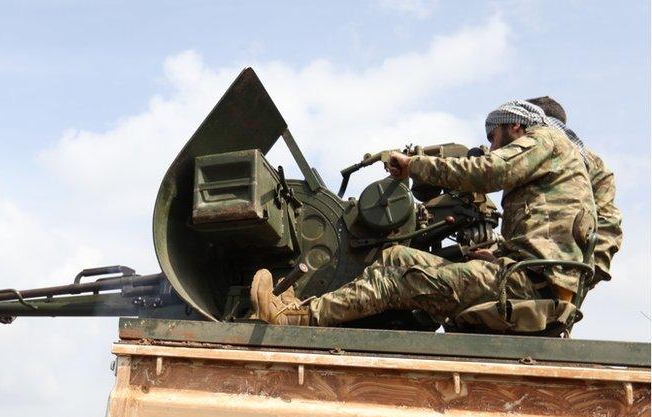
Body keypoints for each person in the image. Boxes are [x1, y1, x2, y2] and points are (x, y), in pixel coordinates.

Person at [251, 100, 597, 327]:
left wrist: (413, 166)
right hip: (521, 277)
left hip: (527, 286)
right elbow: (544, 238)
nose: (491, 144)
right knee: (396, 257)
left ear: (517, 127)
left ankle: (296, 318)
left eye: (494, 136)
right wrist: (494, 255)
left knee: (403, 279)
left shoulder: (545, 140)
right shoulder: (560, 166)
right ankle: (314, 309)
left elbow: (490, 170)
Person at [525, 96, 622, 286]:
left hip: (552, 264)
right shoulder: (594, 163)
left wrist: (591, 272)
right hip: (538, 258)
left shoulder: (593, 165)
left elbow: (607, 220)